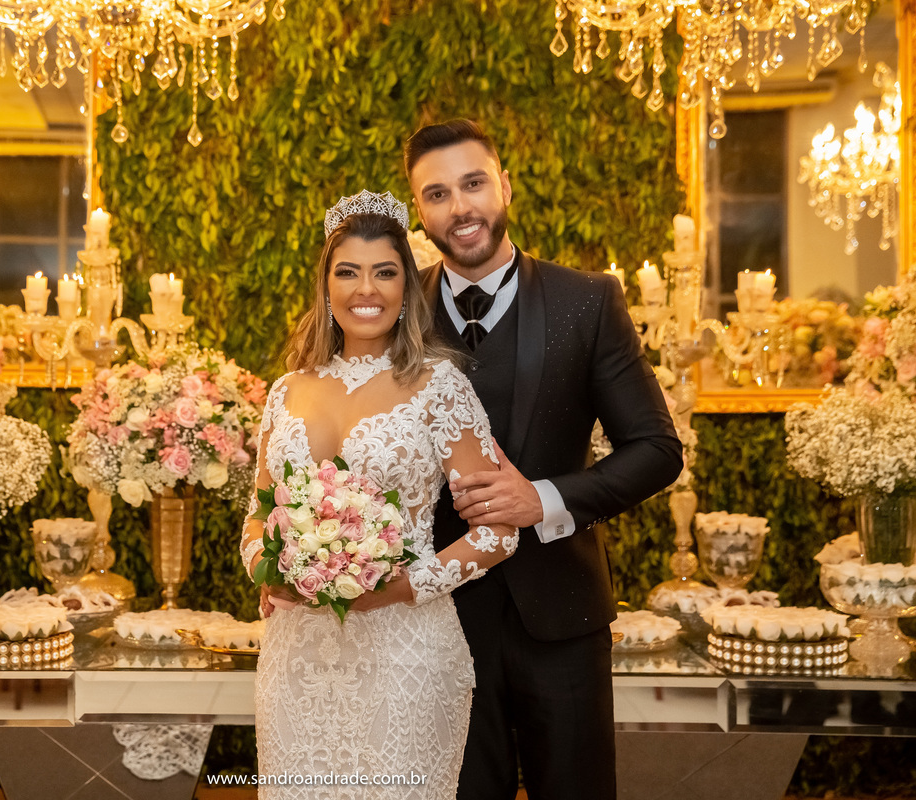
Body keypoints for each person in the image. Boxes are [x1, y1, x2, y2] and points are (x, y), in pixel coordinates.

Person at [404, 119, 684, 800]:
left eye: (473, 183)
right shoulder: (394, 310)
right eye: (437, 194)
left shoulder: (586, 302)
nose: (460, 208)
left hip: (561, 618)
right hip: (436, 626)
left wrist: (545, 501)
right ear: (419, 210)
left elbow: (656, 450)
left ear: (504, 184)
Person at [239, 191, 519, 799]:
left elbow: (499, 532)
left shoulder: (440, 386)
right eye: (348, 272)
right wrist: (272, 570)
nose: (366, 289)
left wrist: (402, 586)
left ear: (406, 288)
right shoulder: (285, 391)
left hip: (407, 656)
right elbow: (256, 523)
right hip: (298, 659)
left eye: (385, 272)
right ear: (326, 285)